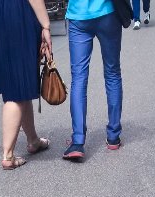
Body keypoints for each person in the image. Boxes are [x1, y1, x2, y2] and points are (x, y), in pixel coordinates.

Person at [0, 0, 54, 169]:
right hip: (14, 11)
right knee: (17, 84)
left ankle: (33, 139)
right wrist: (46, 25)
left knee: (20, 80)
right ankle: (8, 155)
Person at [63, 0, 123, 161]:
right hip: (108, 12)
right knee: (112, 72)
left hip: (78, 14)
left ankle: (77, 141)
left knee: (78, 78)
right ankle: (113, 136)